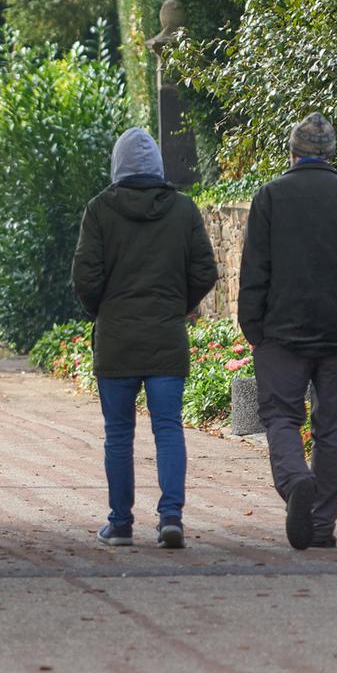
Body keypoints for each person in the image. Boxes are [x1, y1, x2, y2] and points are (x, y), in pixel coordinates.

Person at [239, 113, 337, 551]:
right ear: (330, 155)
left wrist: (254, 328)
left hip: (281, 334)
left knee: (281, 417)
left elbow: (254, 270)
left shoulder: (270, 196)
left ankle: (294, 480)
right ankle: (321, 526)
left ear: (293, 152)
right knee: (333, 428)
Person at [73, 127, 218, 549]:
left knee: (118, 434)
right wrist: (179, 304)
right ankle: (170, 517)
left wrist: (102, 309)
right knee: (168, 428)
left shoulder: (100, 210)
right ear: (157, 166)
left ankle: (120, 524)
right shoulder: (183, 209)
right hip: (166, 336)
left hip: (116, 338)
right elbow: (205, 271)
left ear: (118, 166)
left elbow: (85, 276)